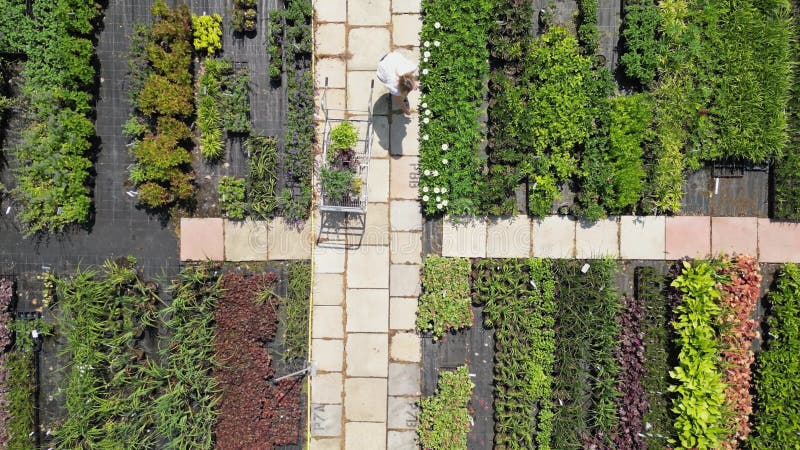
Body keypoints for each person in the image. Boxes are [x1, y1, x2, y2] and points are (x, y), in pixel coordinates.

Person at [376, 51, 418, 115]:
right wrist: (406, 111)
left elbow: (410, 77)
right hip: (383, 66)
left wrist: (413, 84)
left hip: (390, 57)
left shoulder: (409, 68)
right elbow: (400, 102)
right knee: (385, 79)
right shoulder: (394, 87)